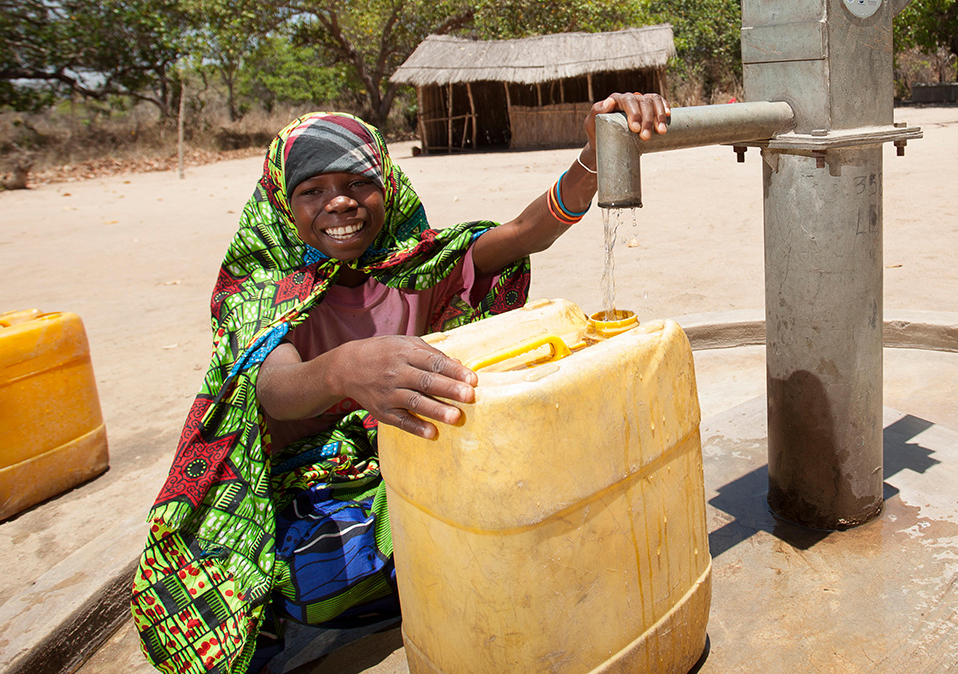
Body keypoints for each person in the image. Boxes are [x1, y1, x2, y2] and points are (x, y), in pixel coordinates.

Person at [131, 93, 670, 674]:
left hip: (410, 462)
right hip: (311, 488)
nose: (340, 201)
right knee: (317, 571)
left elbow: (521, 234)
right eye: (312, 191)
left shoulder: (418, 265)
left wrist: (593, 157)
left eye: (358, 182)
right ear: (283, 208)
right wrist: (343, 369)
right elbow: (272, 386)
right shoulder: (260, 287)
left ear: (387, 184)